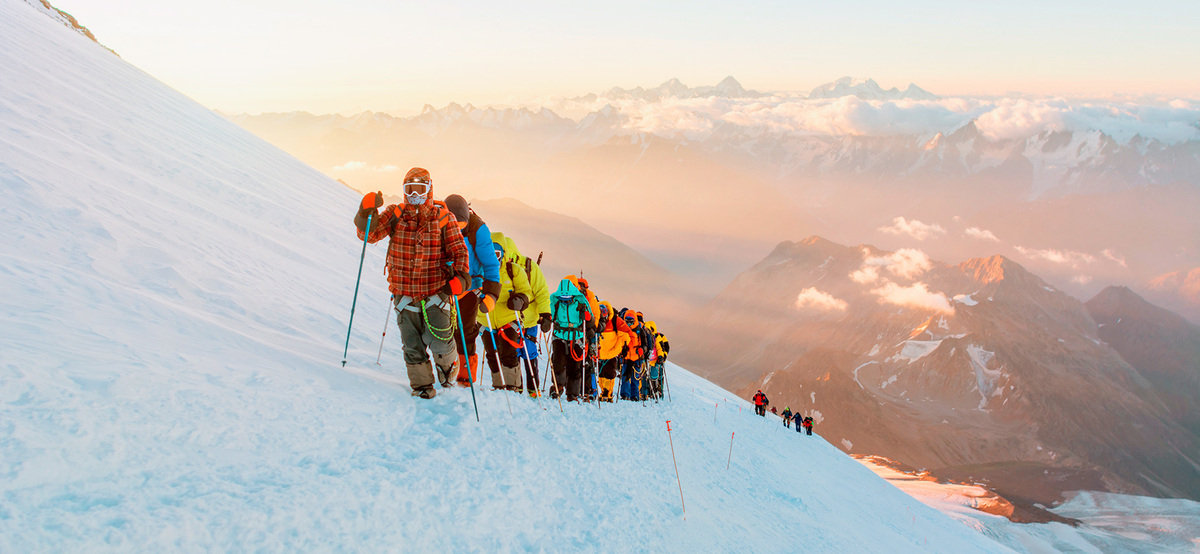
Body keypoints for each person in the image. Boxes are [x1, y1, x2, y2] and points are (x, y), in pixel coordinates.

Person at [354, 168, 470, 399]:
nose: (415, 194)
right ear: (404, 191)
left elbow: (459, 251)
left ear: (429, 189)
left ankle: (448, 368)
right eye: (410, 189)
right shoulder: (395, 214)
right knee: (412, 346)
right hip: (404, 294)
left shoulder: (444, 217)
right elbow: (370, 234)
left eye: (420, 189)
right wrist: (366, 213)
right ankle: (422, 387)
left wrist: (462, 278)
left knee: (440, 341)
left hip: (436, 292)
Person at [442, 195, 501, 387]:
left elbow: (491, 263)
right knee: (442, 329)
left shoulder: (478, 229)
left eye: (460, 227)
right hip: (445, 286)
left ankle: (465, 376)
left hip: (470, 287)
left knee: (465, 331)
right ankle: (445, 370)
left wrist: (492, 294)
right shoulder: (437, 223)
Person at [494, 233, 551, 398]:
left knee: (527, 352)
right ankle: (523, 388)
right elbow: (542, 292)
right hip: (514, 319)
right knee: (517, 353)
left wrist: (546, 314)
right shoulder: (505, 267)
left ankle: (528, 389)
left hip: (525, 320)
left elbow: (541, 292)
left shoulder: (528, 267)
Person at [478, 237, 534, 391]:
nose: (494, 258)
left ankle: (512, 386)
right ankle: (498, 385)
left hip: (509, 319)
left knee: (508, 353)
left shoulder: (513, 270)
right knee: (492, 354)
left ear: (503, 253)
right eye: (490, 254)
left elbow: (526, 292)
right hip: (485, 319)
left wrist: (520, 301)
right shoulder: (480, 269)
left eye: (497, 254)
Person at [549, 276, 592, 401]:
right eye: (562, 299)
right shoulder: (555, 302)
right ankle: (558, 387)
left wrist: (587, 318)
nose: (565, 301)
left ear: (573, 295)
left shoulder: (581, 301)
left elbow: (591, 320)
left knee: (575, 365)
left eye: (568, 299)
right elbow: (550, 314)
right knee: (558, 363)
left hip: (576, 337)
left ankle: (572, 393)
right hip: (560, 335)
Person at [595, 301, 634, 402]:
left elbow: (625, 334)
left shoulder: (615, 320)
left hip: (612, 352)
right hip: (601, 352)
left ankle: (608, 392)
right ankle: (604, 391)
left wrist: (625, 346)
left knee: (609, 373)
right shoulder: (596, 319)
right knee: (601, 373)